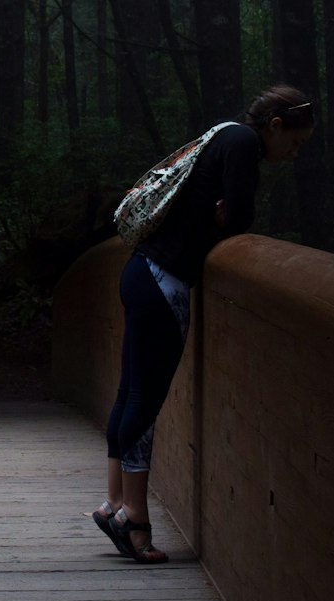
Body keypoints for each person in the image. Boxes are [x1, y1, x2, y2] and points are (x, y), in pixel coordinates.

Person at [93, 84, 316, 563]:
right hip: (163, 282)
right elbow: (239, 218)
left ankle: (114, 502)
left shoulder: (224, 136)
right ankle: (133, 516)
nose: (293, 153)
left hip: (143, 272)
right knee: (143, 400)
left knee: (130, 392)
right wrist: (226, 215)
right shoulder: (241, 144)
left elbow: (227, 214)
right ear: (275, 126)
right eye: (294, 143)